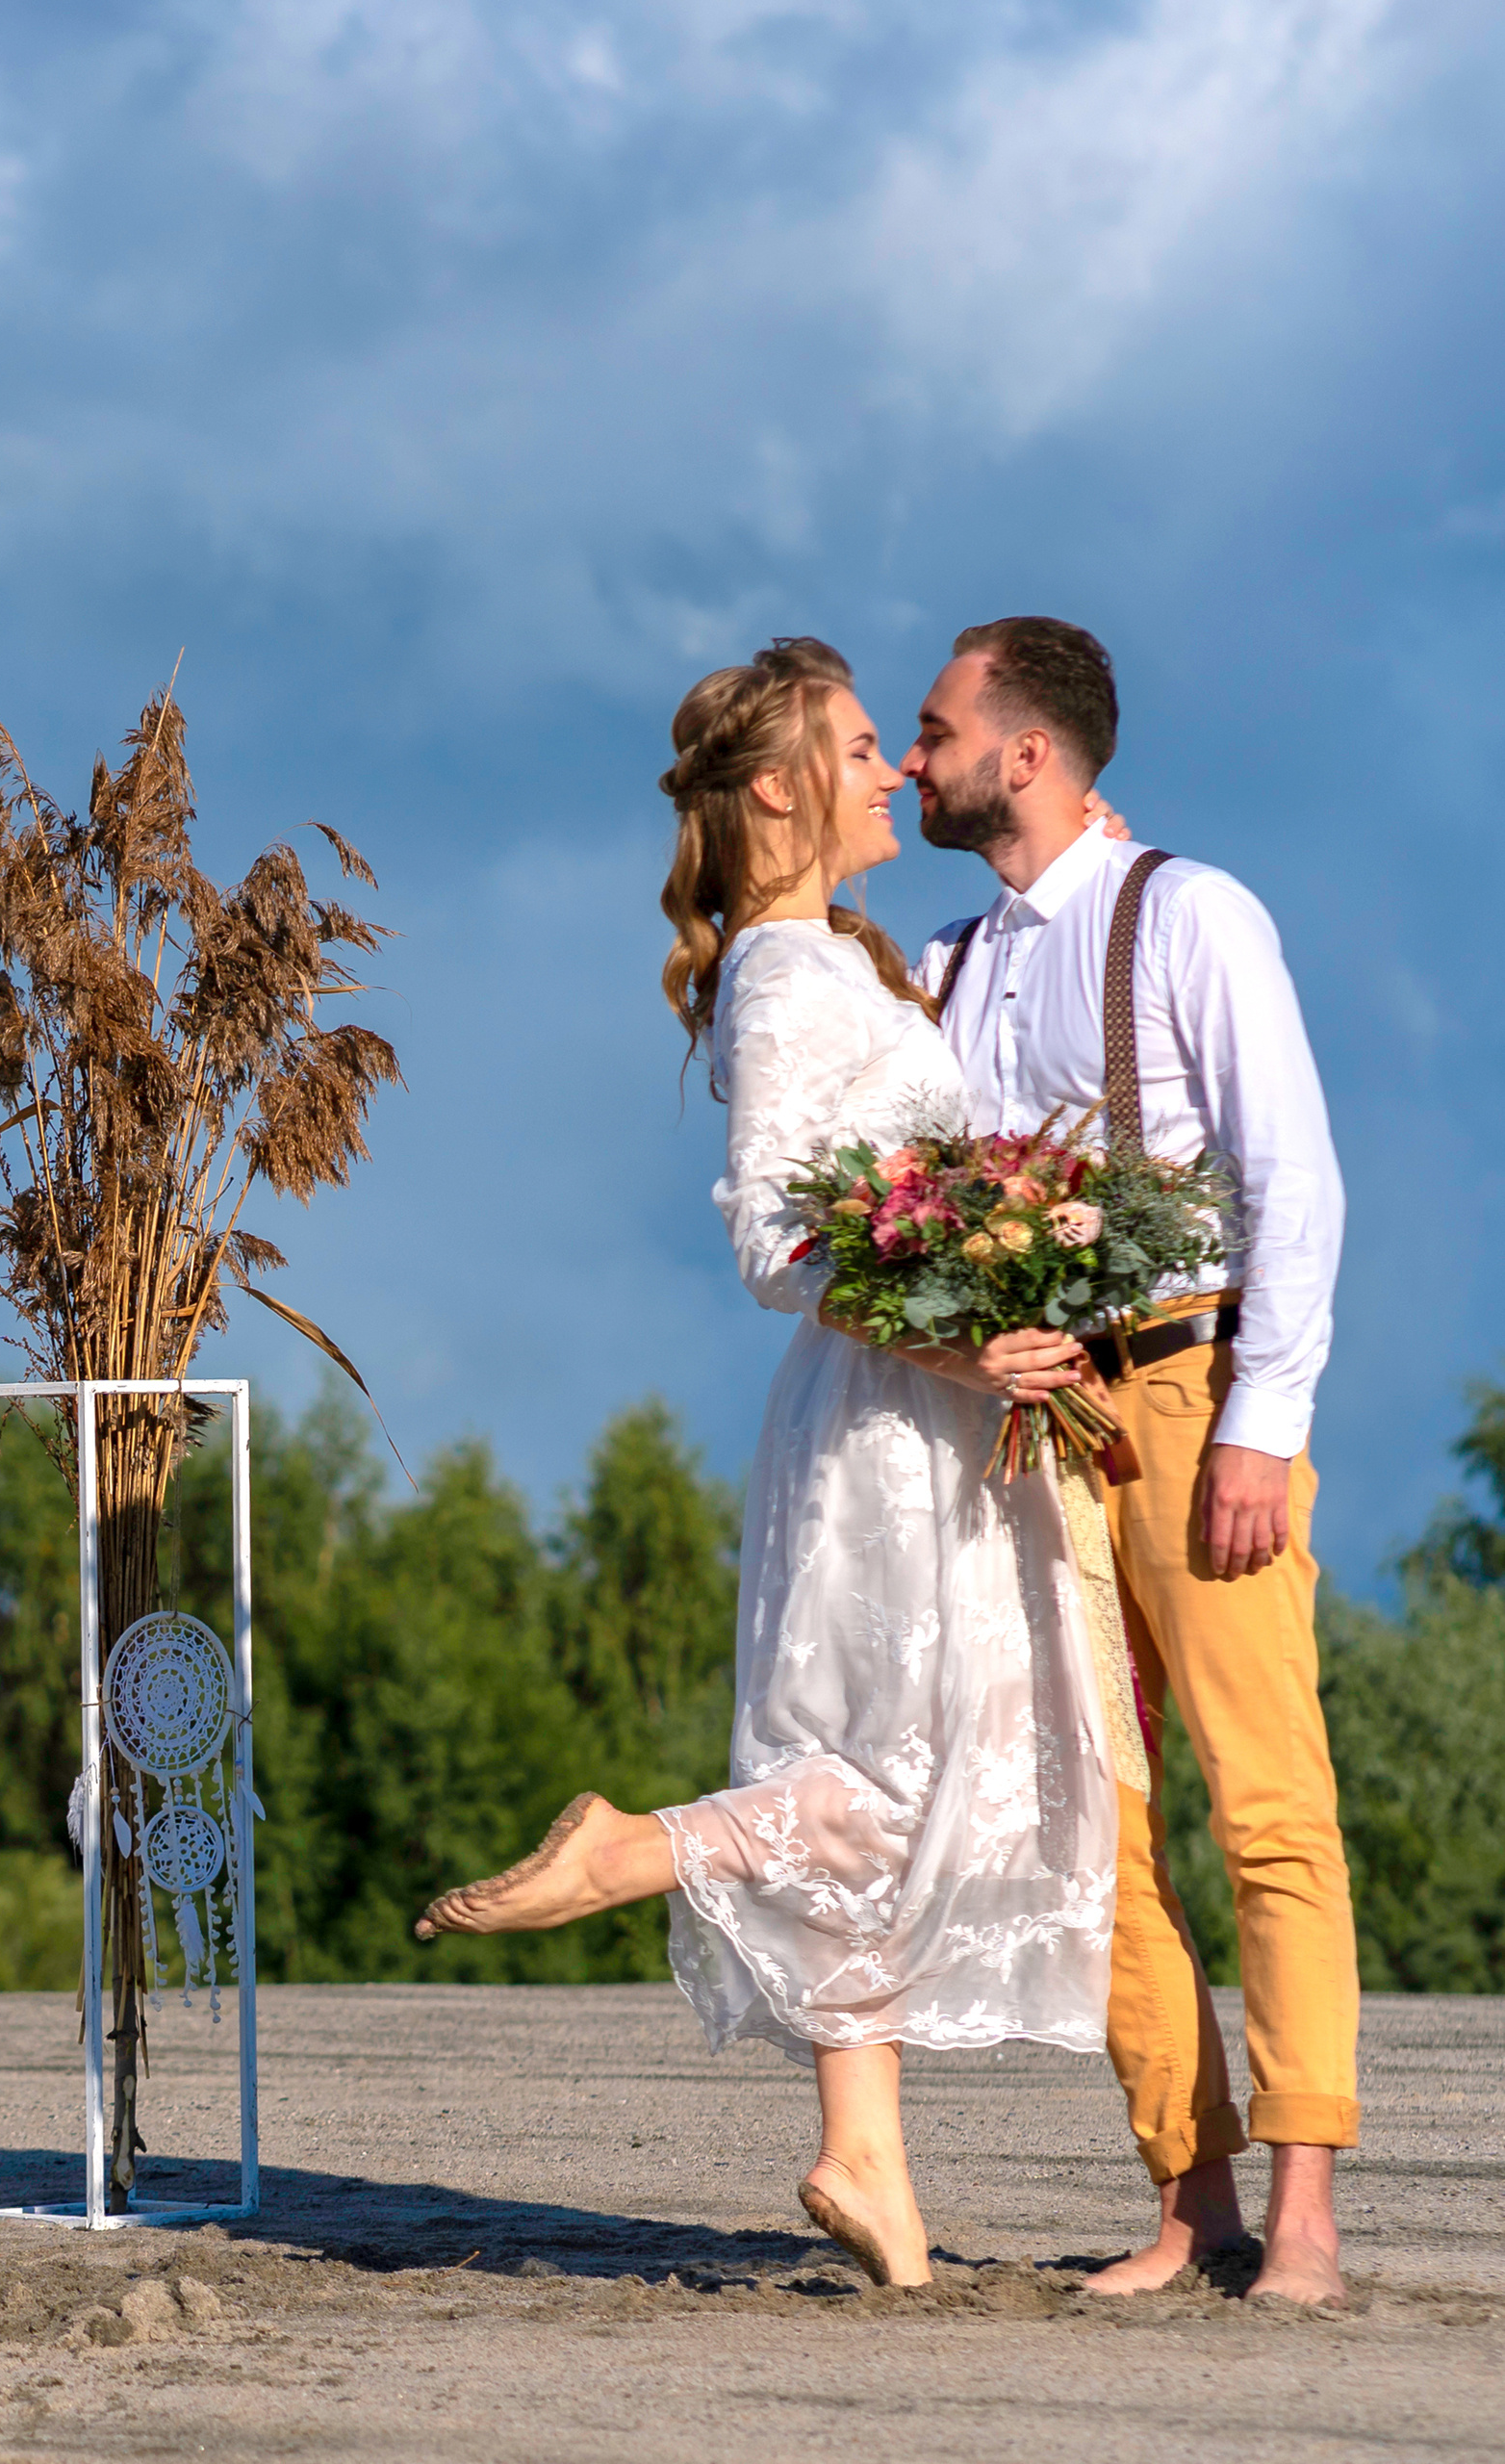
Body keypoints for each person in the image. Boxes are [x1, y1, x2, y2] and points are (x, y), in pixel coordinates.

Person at [417, 637, 1129, 2289]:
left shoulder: (839, 961)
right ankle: (629, 1849)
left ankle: (864, 2154)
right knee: (893, 1784)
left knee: (902, 1764)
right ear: (778, 784)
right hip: (892, 1424)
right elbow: (779, 1239)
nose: (892, 771)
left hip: (923, 1406)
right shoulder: (789, 974)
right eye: (866, 744)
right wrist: (973, 1340)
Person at [905, 617, 1355, 2306]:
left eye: (936, 729)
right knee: (1095, 1822)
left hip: (1191, 1394)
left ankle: (1306, 2203)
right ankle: (1196, 2195)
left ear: (1027, 753)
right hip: (1034, 1421)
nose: (914, 754)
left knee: (1265, 1803)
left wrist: (1262, 1424)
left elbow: (1290, 1180)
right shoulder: (947, 962)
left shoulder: (1190, 910)